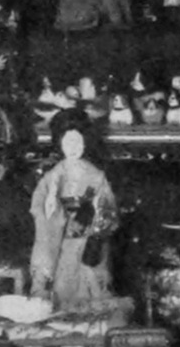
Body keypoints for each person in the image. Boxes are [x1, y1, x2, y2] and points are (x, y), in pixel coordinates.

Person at [29, 110, 120, 310]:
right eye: (67, 142)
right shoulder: (51, 178)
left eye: (77, 142)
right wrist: (52, 206)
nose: (73, 148)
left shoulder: (96, 177)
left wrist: (95, 223)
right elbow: (41, 215)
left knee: (91, 296)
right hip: (61, 246)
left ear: (85, 143)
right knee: (60, 294)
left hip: (89, 246)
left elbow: (108, 214)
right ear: (59, 143)